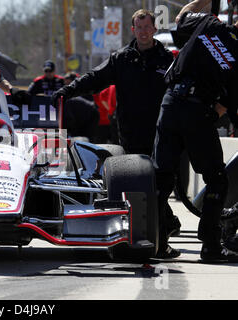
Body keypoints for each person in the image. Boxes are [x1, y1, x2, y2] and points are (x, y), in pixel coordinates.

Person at [52, 9, 178, 258]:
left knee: (162, 185)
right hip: (131, 133)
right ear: (133, 30)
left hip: (163, 131)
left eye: (147, 27)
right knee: (140, 187)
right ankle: (142, 236)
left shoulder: (168, 59)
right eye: (138, 27)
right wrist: (68, 90)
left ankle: (161, 240)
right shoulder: (121, 59)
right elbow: (94, 78)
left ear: (154, 29)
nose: (143, 32)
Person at [152, 0, 238, 262]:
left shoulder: (209, 23)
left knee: (161, 178)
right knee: (217, 180)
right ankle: (210, 246)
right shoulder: (214, 26)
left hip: (171, 104)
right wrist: (215, 112)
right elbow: (230, 101)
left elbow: (180, 18)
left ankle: (156, 243)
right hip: (198, 110)